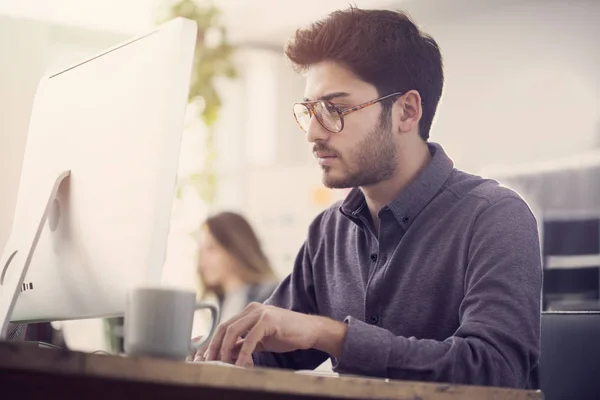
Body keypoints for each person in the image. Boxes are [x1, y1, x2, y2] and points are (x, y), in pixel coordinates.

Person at [201, 7, 542, 389]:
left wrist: (331, 335)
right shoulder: (329, 232)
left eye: (335, 108)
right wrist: (217, 353)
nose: (313, 132)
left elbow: (495, 370)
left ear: (406, 112)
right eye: (311, 111)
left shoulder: (495, 217)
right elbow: (267, 346)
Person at [198, 211, 278, 323]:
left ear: (236, 248)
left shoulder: (271, 297)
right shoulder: (222, 302)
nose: (202, 260)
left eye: (211, 248)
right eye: (201, 251)